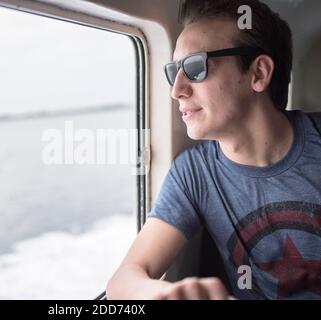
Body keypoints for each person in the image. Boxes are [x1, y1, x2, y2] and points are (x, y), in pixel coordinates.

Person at [106, 0, 321, 300]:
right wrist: (162, 294)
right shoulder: (193, 174)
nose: (176, 90)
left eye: (195, 67)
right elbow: (123, 280)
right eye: (174, 71)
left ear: (258, 73)